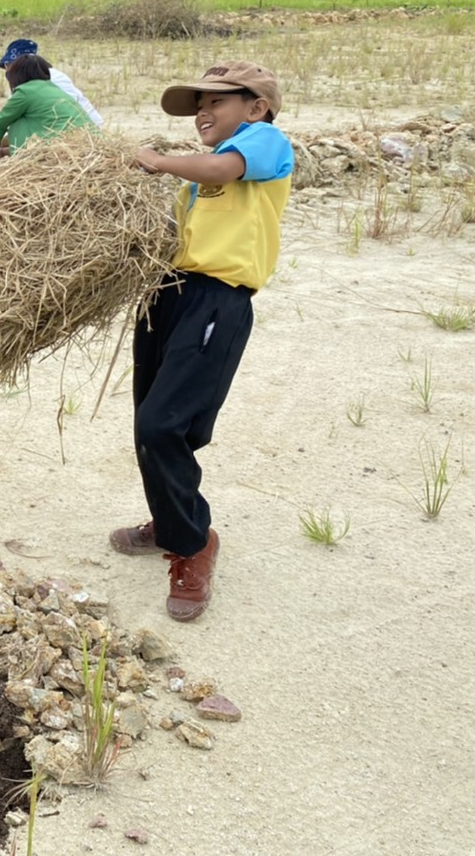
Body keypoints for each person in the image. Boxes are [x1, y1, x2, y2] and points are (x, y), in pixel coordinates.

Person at [109, 61, 293, 622]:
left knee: (163, 424)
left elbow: (227, 168)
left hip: (217, 299)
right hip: (169, 293)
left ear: (255, 106)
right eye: (197, 106)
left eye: (216, 102)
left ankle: (193, 545)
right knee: (150, 420)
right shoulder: (195, 178)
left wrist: (158, 161)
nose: (202, 114)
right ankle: (169, 522)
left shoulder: (263, 142)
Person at [0, 54, 93, 157]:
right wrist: (3, 152)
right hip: (87, 146)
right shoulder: (54, 89)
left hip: (62, 152)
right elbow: (39, 137)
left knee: (18, 121)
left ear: (16, 74)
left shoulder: (25, 92)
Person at [0, 38, 105, 128]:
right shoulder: (25, 83)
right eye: (6, 66)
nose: (8, 71)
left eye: (10, 65)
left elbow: (65, 112)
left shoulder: (55, 78)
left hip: (82, 132)